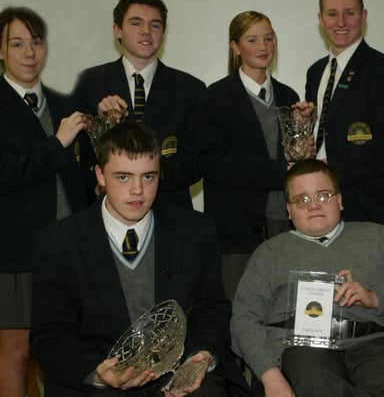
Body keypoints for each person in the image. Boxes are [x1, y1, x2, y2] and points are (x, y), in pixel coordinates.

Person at [30, 122, 246, 396]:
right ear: (99, 175)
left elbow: (212, 309)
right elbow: (50, 337)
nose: (137, 190)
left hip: (179, 373)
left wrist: (202, 356)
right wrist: (98, 373)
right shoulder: (58, 243)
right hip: (99, 379)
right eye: (123, 177)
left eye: (148, 177)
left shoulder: (196, 231)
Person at [231, 159, 384, 397]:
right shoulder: (269, 252)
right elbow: (244, 319)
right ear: (288, 210)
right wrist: (270, 376)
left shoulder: (377, 237)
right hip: (299, 347)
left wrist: (374, 297)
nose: (313, 205)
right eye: (301, 200)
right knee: (313, 376)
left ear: (340, 200)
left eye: (323, 195)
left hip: (373, 341)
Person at [0, 6, 87, 397]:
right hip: (15, 251)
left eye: (35, 42)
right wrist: (56, 144)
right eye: (16, 44)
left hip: (67, 248)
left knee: (62, 350)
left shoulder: (63, 104)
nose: (29, 53)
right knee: (16, 352)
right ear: (1, 51)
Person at [190, 11, 300, 299]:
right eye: (252, 40)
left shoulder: (289, 97)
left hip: (287, 225)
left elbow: (296, 154)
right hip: (236, 230)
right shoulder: (215, 98)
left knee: (283, 310)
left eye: (268, 38)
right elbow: (212, 161)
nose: (263, 47)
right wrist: (280, 170)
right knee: (238, 314)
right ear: (235, 47)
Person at [72, 0, 204, 209]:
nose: (146, 32)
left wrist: (143, 177)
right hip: (103, 213)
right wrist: (101, 125)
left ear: (163, 32)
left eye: (155, 25)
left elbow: (195, 163)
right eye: (136, 23)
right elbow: (76, 159)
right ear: (118, 30)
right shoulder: (88, 83)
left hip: (170, 215)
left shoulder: (191, 89)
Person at [301, 0, 384, 234]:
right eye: (332, 14)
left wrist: (332, 169)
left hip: (366, 207)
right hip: (316, 208)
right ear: (320, 19)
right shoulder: (316, 71)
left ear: (363, 17)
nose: (341, 22)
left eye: (349, 13)